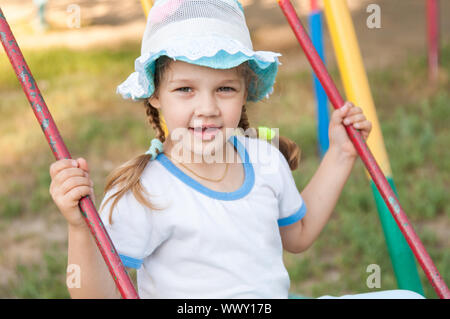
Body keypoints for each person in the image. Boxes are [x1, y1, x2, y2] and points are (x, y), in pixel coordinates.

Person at [49, 0, 424, 299]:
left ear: (246, 92)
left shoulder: (264, 161)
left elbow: (299, 234)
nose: (208, 107)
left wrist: (341, 154)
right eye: (185, 89)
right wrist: (79, 229)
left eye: (224, 88)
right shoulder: (144, 190)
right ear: (155, 95)